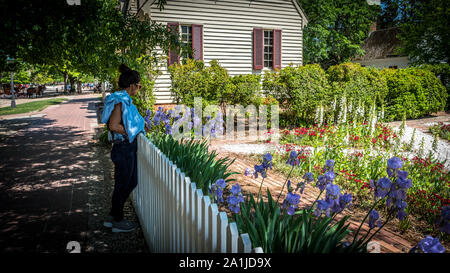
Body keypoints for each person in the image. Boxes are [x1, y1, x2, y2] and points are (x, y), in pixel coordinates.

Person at [101, 64, 145, 233]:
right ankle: (117, 221)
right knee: (123, 183)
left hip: (125, 148)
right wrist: (130, 133)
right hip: (124, 148)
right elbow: (113, 125)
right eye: (139, 86)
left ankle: (113, 216)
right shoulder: (120, 101)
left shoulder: (122, 99)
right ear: (132, 85)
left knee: (129, 181)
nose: (139, 89)